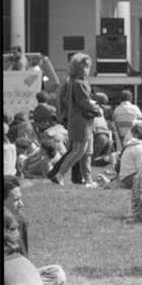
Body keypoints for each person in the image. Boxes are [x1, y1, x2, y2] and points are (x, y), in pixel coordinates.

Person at [50, 53, 102, 187]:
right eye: (86, 67)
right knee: (79, 150)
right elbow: (84, 102)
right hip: (81, 122)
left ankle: (88, 180)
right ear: (80, 68)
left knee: (87, 152)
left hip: (84, 121)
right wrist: (97, 109)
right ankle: (59, 174)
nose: (88, 69)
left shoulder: (74, 82)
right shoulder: (78, 83)